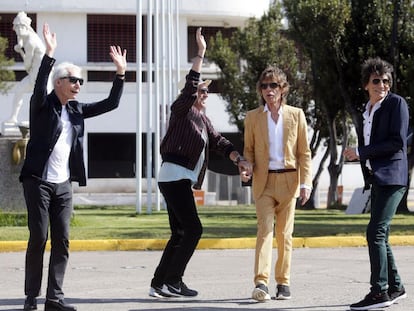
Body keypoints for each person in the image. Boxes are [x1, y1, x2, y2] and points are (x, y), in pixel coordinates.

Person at [20, 23, 127, 311]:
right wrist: (50, 54)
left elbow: (111, 104)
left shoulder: (77, 110)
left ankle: (55, 299)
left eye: (80, 81)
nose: (79, 84)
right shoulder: (42, 106)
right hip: (37, 181)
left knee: (62, 241)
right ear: (59, 82)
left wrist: (120, 73)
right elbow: (40, 84)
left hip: (63, 185)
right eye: (74, 80)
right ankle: (32, 297)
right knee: (39, 237)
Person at [149, 27, 251, 299]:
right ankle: (174, 280)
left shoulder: (203, 121)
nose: (205, 94)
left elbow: (220, 142)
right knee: (194, 229)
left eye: (207, 92)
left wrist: (238, 159)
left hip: (177, 178)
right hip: (174, 176)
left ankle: (158, 284)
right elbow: (191, 85)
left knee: (180, 232)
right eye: (201, 91)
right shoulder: (181, 110)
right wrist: (201, 54)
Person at [242, 65, 312, 302]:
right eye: (264, 86)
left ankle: (283, 282)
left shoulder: (296, 115)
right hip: (263, 181)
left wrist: (306, 184)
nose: (268, 90)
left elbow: (304, 152)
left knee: (284, 234)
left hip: (290, 180)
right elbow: (248, 151)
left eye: (273, 85)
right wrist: (246, 168)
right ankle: (261, 282)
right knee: (264, 231)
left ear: (283, 89)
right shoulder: (252, 117)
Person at [344, 57, 408, 310]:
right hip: (377, 177)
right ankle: (396, 287)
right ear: (366, 84)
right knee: (381, 234)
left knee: (376, 233)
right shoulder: (366, 110)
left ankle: (379, 292)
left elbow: (397, 142)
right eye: (376, 80)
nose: (382, 85)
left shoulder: (397, 104)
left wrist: (362, 152)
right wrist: (360, 155)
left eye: (385, 80)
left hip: (393, 176)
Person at [7, 12, 47, 124]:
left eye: (19, 27)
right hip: (37, 73)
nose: (17, 30)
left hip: (37, 75)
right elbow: (20, 37)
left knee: (38, 99)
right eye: (16, 27)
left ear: (25, 27)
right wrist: (19, 44)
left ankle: (39, 120)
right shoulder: (29, 35)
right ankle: (14, 117)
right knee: (20, 91)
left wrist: (20, 51)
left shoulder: (30, 42)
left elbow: (27, 65)